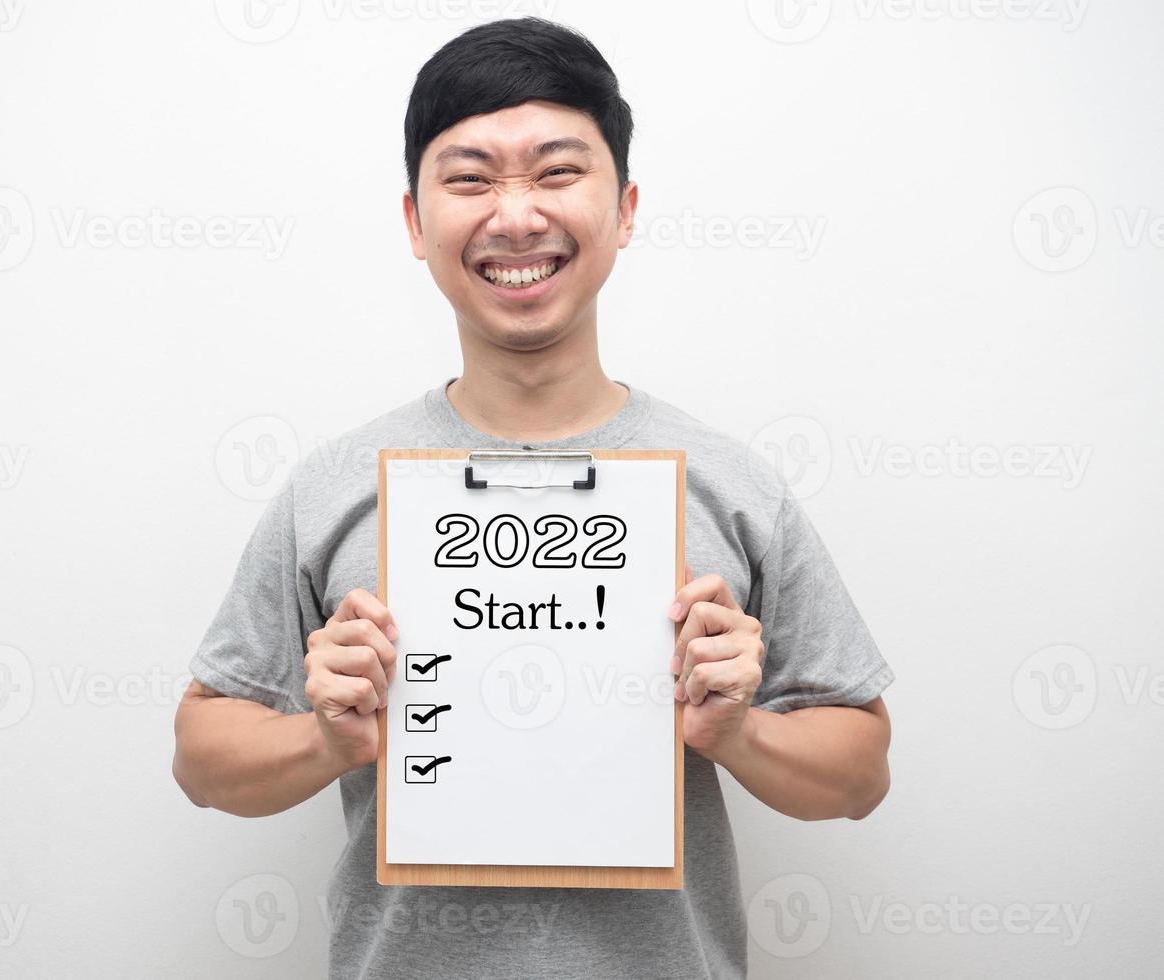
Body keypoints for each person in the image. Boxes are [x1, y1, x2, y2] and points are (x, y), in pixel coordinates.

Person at [172, 16, 893, 979]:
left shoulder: (731, 484)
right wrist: (326, 740)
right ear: (415, 222)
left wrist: (738, 730)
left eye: (557, 172)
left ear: (625, 207)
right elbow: (200, 759)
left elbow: (860, 777)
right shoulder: (334, 484)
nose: (516, 217)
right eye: (469, 179)